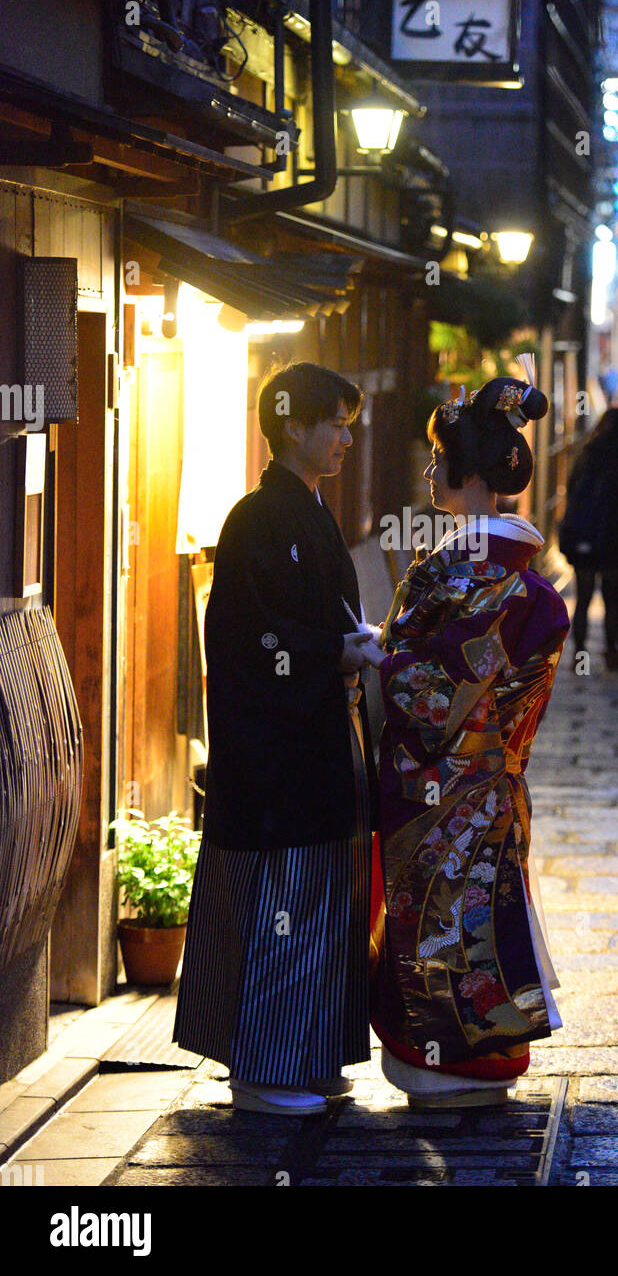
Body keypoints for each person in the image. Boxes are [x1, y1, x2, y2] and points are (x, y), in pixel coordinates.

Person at [173, 363, 377, 1116]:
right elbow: (246, 636)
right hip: (272, 759)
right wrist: (333, 651)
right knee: (282, 906)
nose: (347, 438)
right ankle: (262, 1070)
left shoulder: (308, 510)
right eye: (337, 423)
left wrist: (346, 646)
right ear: (293, 424)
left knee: (319, 905)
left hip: (312, 742)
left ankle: (310, 1055)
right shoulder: (256, 516)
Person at [371, 377, 569, 1108]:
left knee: (446, 929)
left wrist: (375, 660)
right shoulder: (511, 574)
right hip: (488, 780)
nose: (429, 472)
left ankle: (454, 1067)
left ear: (475, 477)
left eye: (437, 458)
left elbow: (433, 690)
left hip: (444, 786)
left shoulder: (468, 571)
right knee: (476, 919)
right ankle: (482, 1057)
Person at [558, 407, 618, 670]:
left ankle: (579, 653)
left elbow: (572, 491)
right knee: (612, 597)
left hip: (585, 535)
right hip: (615, 538)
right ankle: (611, 652)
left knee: (583, 598)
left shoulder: (588, 452)